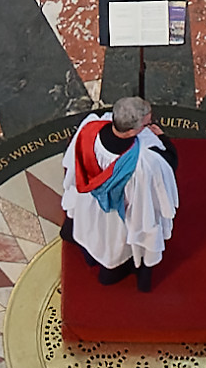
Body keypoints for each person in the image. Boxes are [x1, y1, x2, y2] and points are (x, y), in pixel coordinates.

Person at [60, 104, 176, 278]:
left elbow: (72, 163)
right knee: (111, 243)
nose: (149, 127)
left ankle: (88, 252)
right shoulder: (144, 162)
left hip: (88, 199)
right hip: (118, 213)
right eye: (146, 125)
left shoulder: (89, 127)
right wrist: (162, 137)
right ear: (131, 132)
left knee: (88, 227)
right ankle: (111, 270)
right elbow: (170, 165)